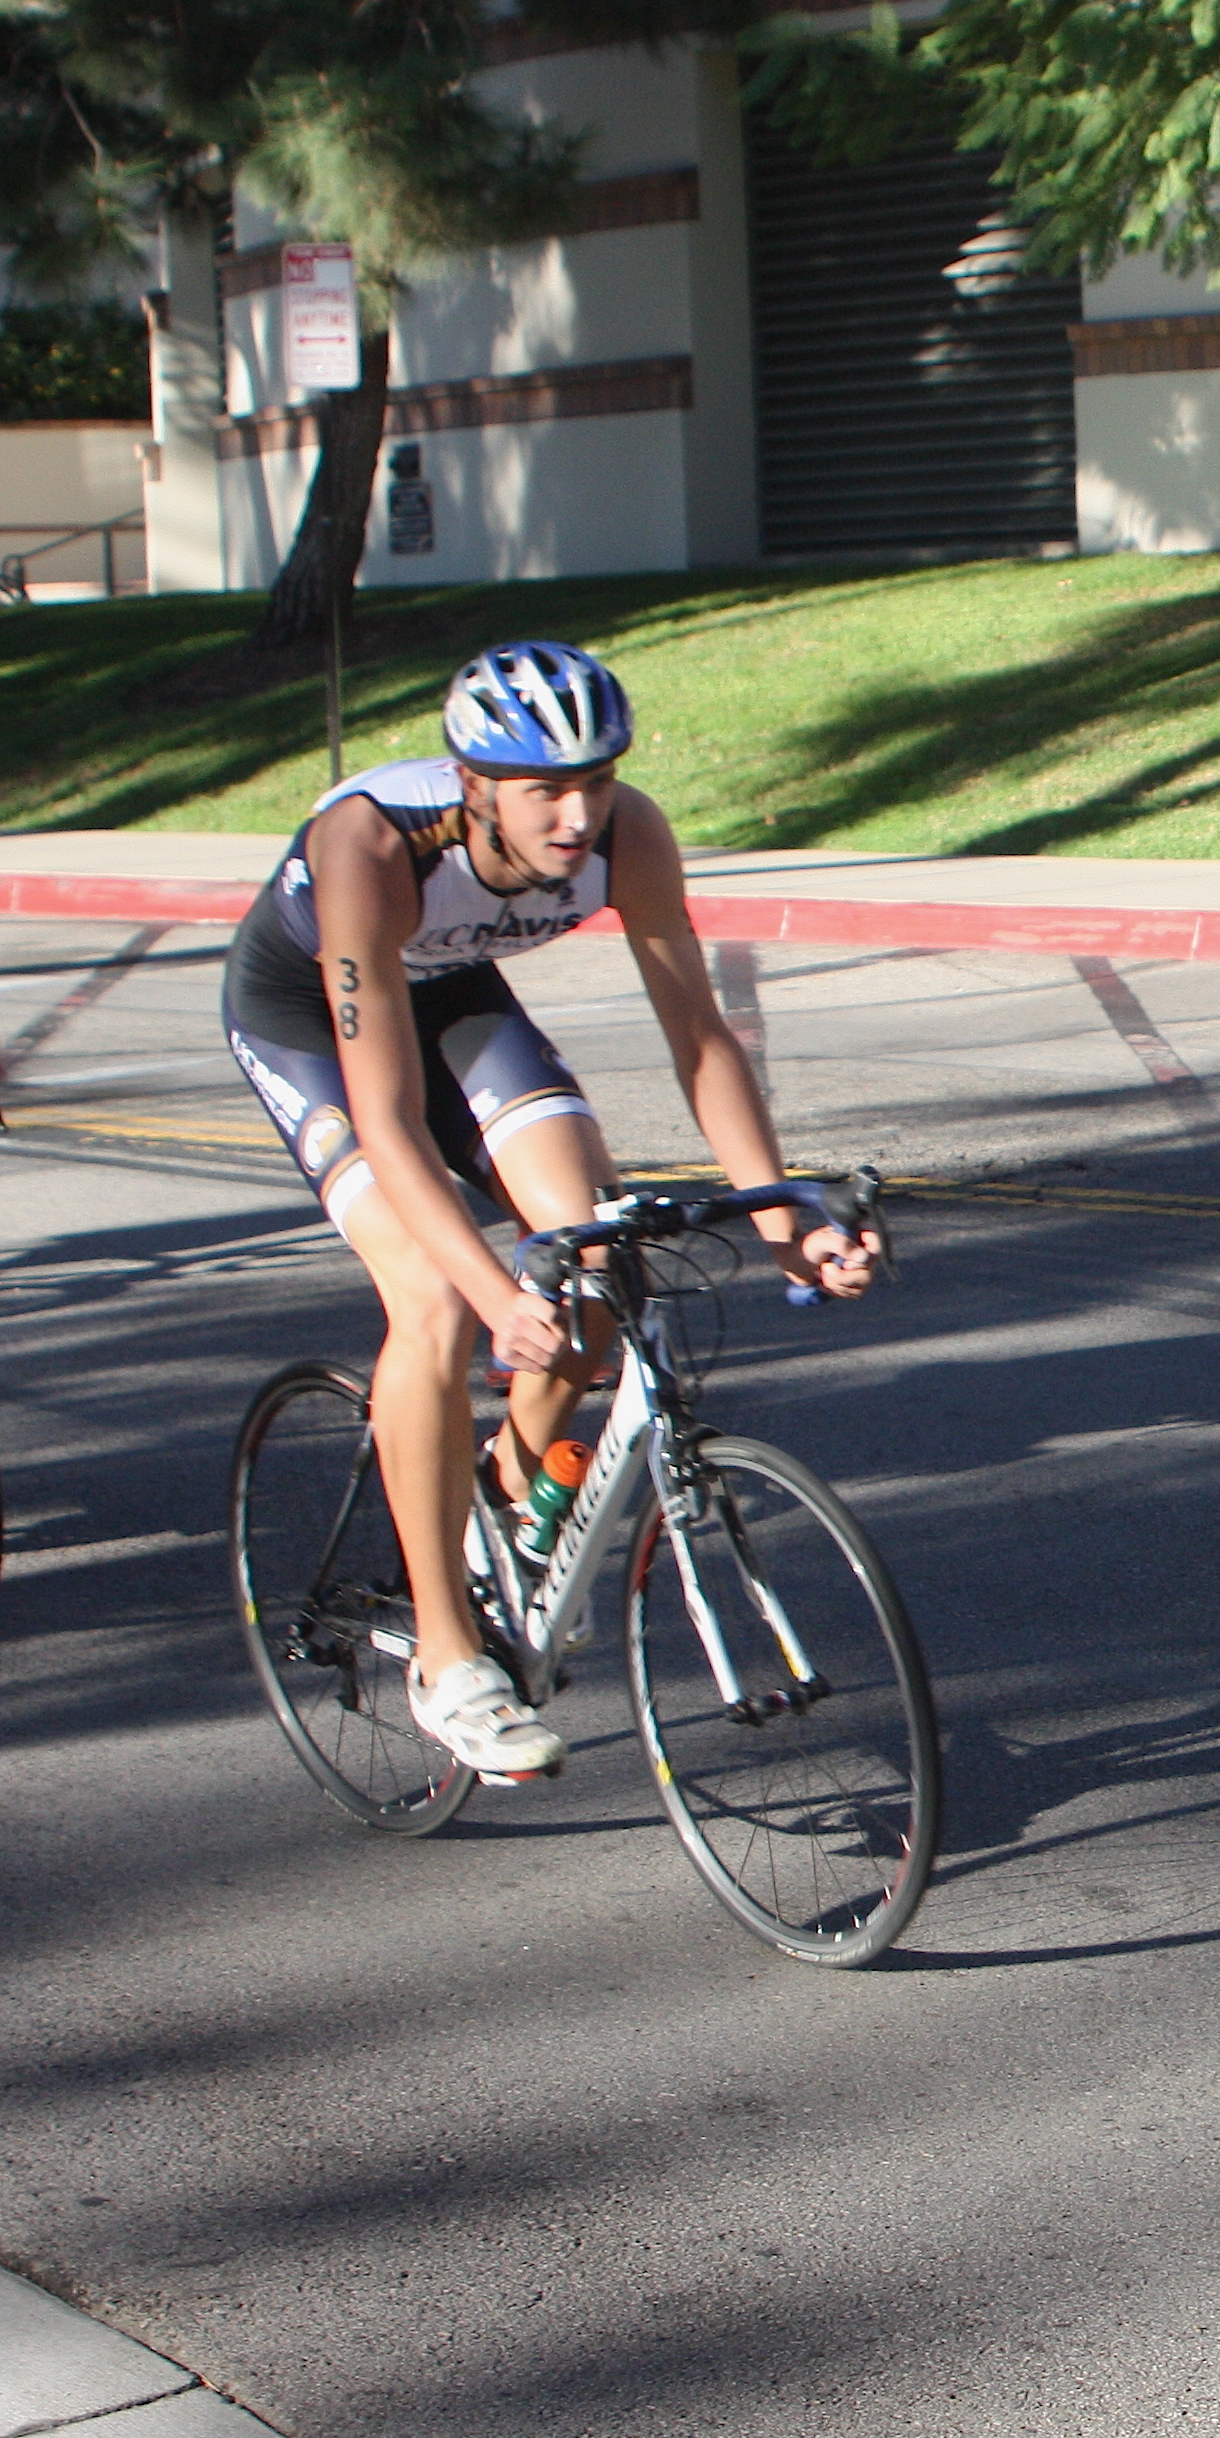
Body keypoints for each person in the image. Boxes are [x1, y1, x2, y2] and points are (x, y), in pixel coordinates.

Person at [220, 640, 876, 1781]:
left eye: (598, 781)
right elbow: (388, 1120)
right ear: (476, 785)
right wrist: (487, 1291)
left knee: (599, 1253)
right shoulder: (371, 844)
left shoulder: (632, 832)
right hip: (314, 1027)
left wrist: (787, 1222)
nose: (578, 816)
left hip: (456, 998)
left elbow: (701, 1036)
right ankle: (444, 1654)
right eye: (545, 791)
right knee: (432, 1295)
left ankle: (505, 1489)